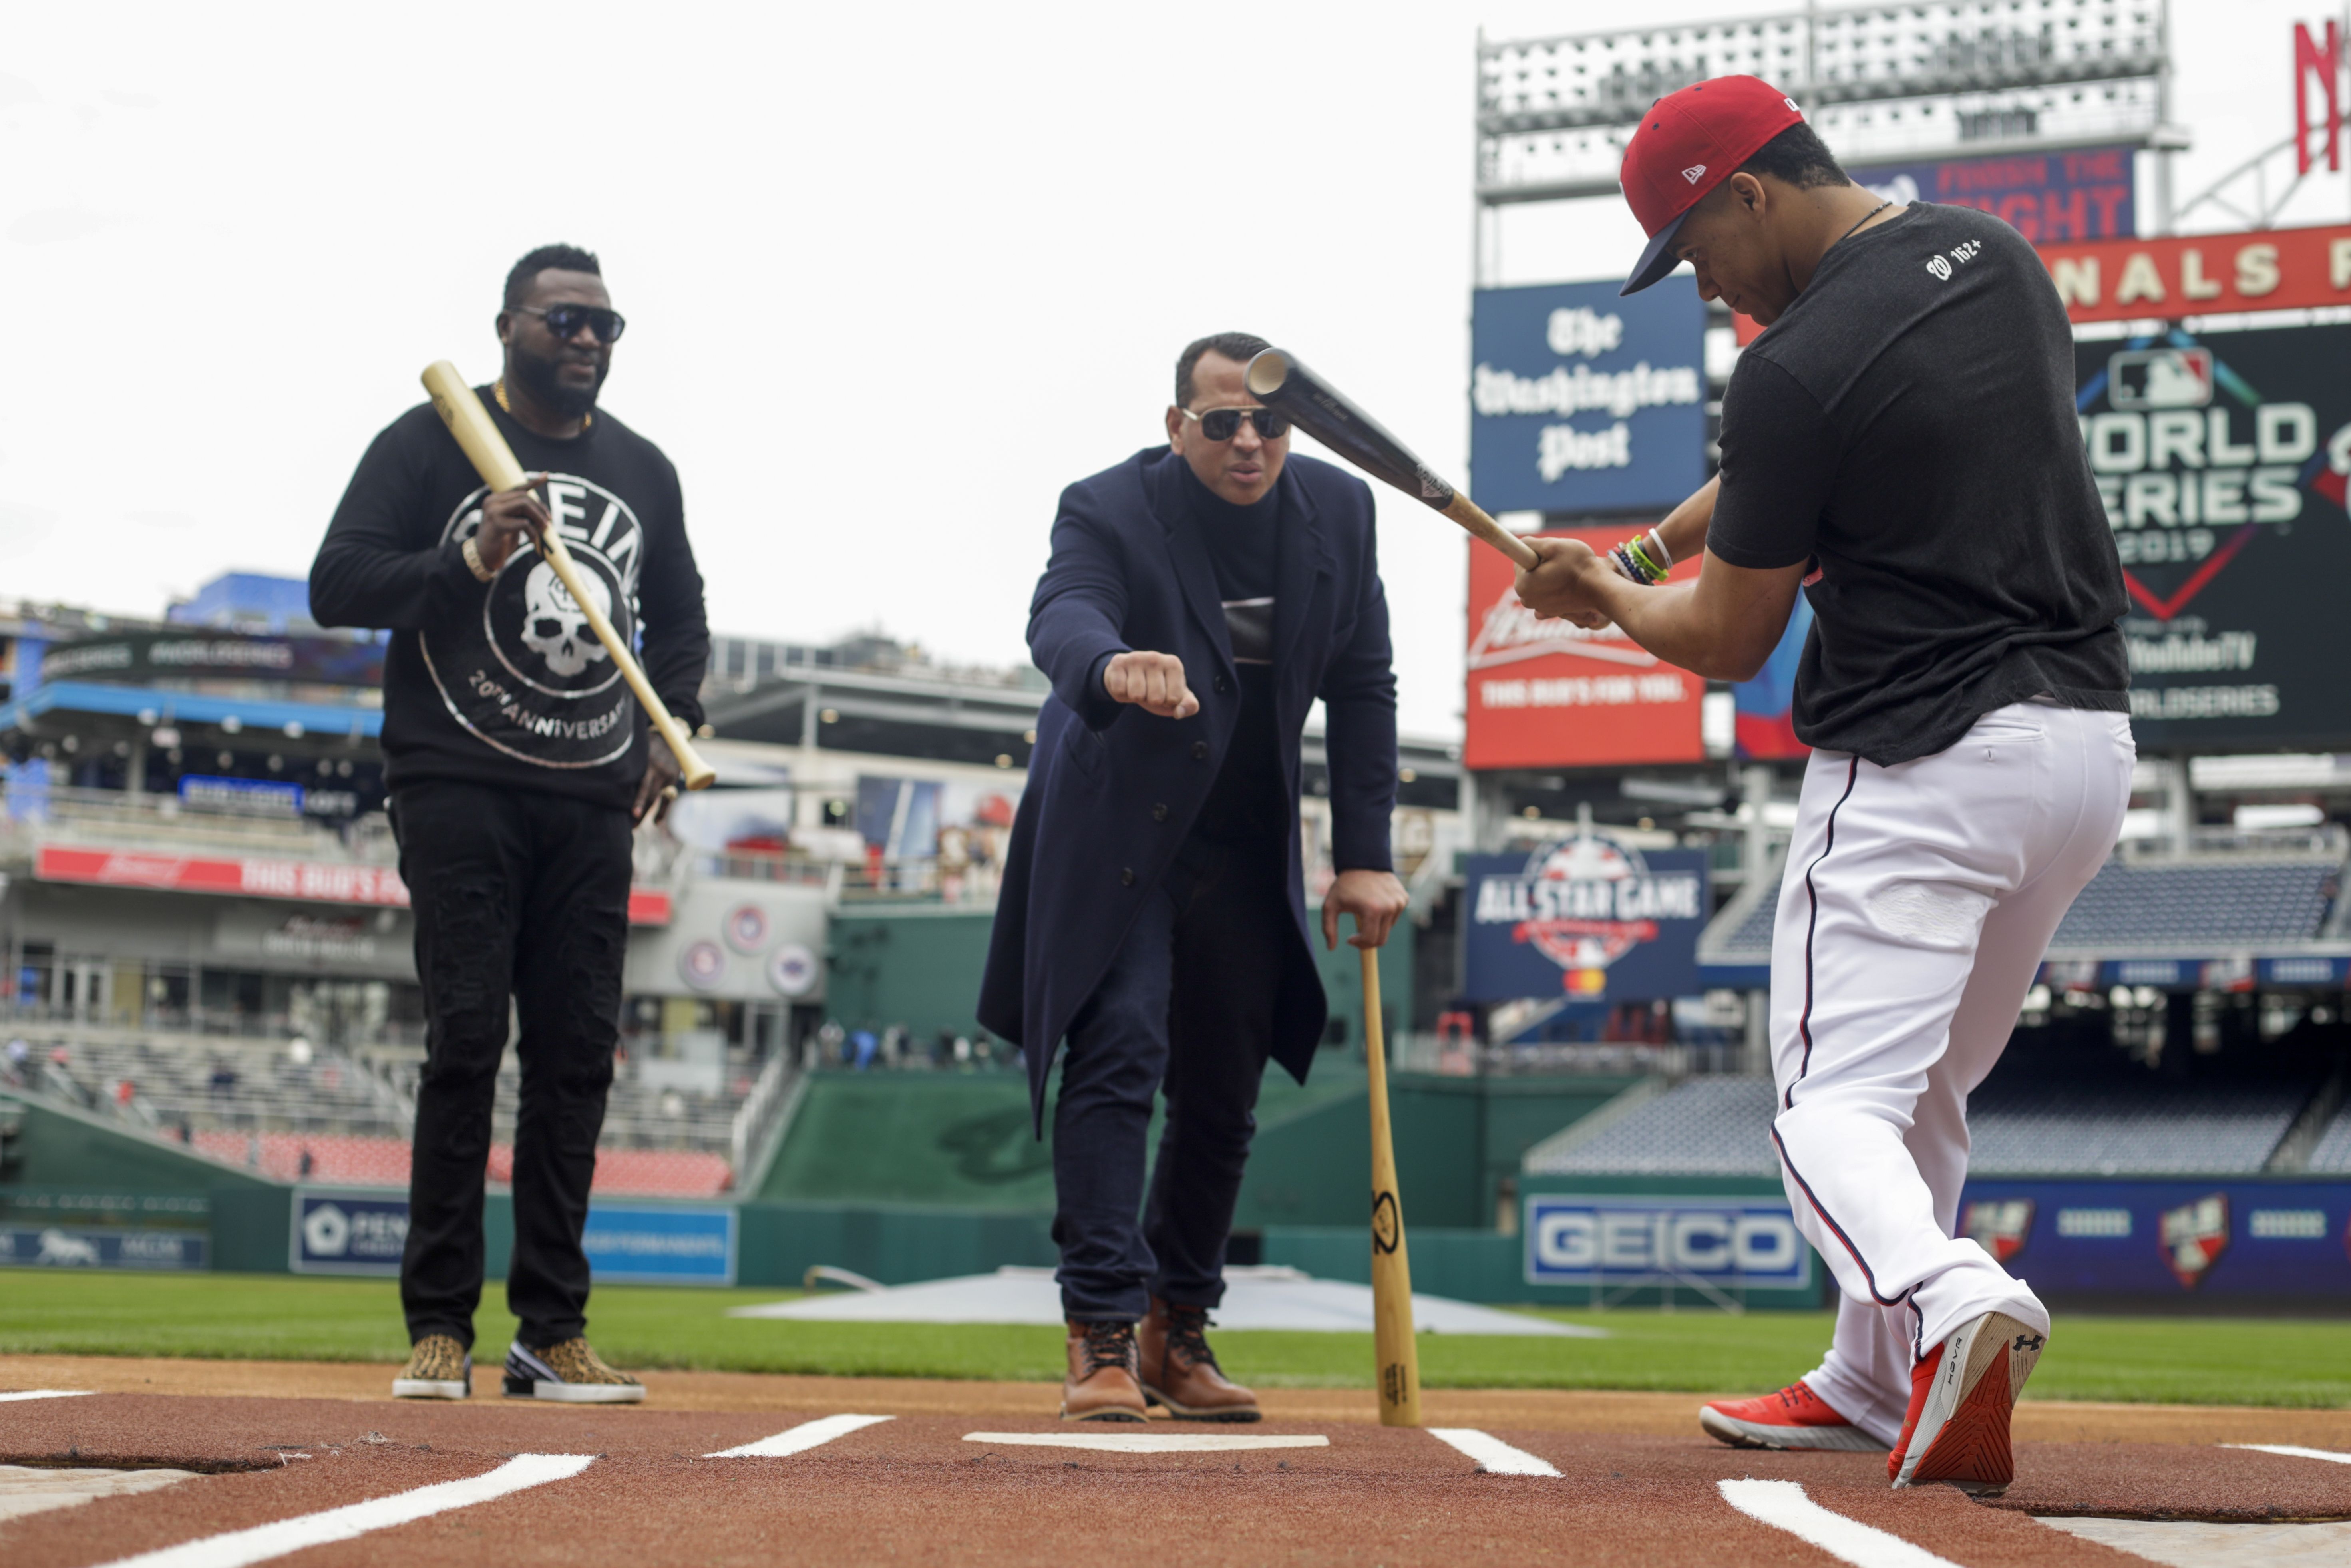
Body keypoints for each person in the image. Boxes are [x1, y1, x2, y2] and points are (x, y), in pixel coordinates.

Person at [1512, 78, 2131, 1494]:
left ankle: (1945, 1293)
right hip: (2082, 753)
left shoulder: (1788, 366)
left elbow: (1731, 643)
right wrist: (1637, 559)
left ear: (1748, 191)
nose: (1702, 284)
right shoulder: (1994, 258)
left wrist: (1611, 603)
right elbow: (1765, 479)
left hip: (1921, 758)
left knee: (1821, 1112)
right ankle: (1863, 1375)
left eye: (1694, 249)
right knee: (1922, 1094)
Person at [979, 332, 1409, 1422]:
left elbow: (1364, 685)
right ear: (1176, 427)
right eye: (1222, 422)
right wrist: (1106, 662)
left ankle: (1180, 1325)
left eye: (1269, 422)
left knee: (1223, 1088)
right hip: (1120, 826)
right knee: (1120, 1043)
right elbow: (1060, 611)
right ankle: (1102, 1329)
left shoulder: (1340, 514)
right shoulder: (1110, 506)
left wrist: (1364, 853)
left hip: (1242, 836)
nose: (1249, 442)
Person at [310, 243, 710, 1405]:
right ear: (507, 327)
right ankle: (439, 1326)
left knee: (577, 1055)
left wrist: (671, 721)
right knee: (468, 1039)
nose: (586, 340)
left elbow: (679, 616)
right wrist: (465, 554)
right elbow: (338, 583)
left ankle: (552, 1330)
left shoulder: (644, 468)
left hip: (590, 794)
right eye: (563, 321)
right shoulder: (428, 441)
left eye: (605, 325)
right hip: (458, 779)